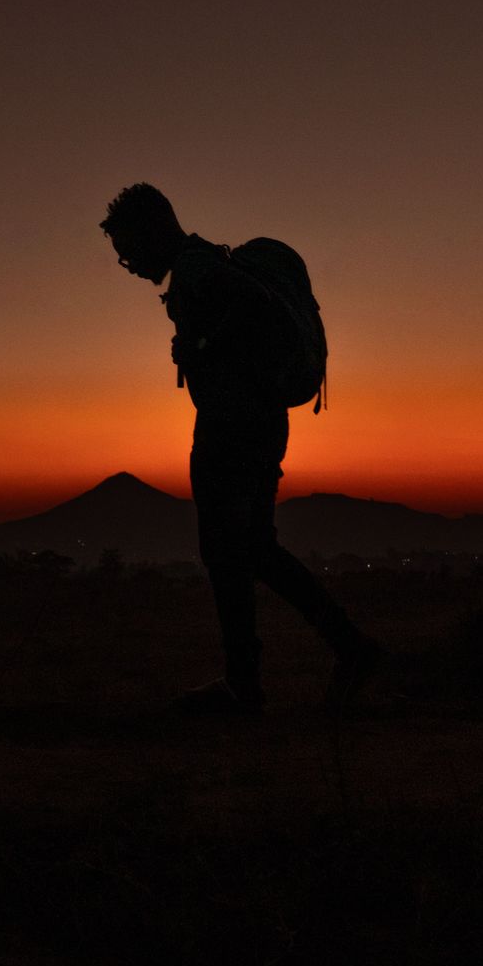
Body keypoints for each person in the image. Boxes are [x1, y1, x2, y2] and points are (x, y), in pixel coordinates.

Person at [100, 183, 387, 716]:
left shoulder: (194, 270)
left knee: (225, 552)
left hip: (231, 429)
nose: (126, 262)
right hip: (260, 423)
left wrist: (202, 345)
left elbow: (253, 307)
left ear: (153, 231)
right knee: (253, 549)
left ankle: (247, 686)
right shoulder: (206, 261)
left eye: (127, 248)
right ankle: (343, 650)